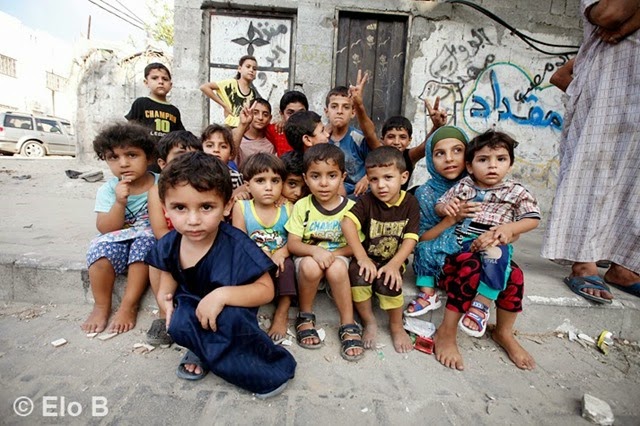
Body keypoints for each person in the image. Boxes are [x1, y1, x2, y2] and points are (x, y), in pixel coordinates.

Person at [145, 151, 296, 397]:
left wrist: (221, 296)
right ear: (165, 208)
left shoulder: (237, 244)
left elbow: (266, 290)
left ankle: (254, 368)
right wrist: (165, 299)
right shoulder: (171, 243)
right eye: (180, 208)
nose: (193, 220)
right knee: (179, 323)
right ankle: (201, 350)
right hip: (193, 306)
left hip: (232, 309)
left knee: (231, 323)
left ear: (227, 206)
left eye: (206, 207)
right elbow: (168, 278)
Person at [542, 0, 640, 302]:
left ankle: (625, 265)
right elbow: (608, 15)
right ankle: (584, 261)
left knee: (636, 181)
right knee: (594, 169)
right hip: (611, 83)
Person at [437, 130, 540, 338]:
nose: (492, 166)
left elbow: (532, 218)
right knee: (471, 266)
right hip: (462, 243)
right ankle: (447, 331)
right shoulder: (464, 186)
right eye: (483, 160)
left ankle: (487, 309)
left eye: (501, 159)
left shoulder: (515, 191)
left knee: (511, 270)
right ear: (469, 166)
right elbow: (440, 203)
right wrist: (446, 208)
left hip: (496, 242)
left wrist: (509, 229)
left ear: (510, 164)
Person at [285, 144, 364, 361]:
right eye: (315, 176)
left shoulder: (351, 208)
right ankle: (305, 315)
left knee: (337, 268)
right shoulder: (302, 206)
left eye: (332, 175)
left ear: (342, 177)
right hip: (308, 259)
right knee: (311, 265)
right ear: (305, 178)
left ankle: (347, 321)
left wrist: (333, 254)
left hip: (338, 259)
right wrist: (315, 251)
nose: (323, 183)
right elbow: (293, 244)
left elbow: (355, 245)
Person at [341, 147, 420, 353]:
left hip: (393, 258)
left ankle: (396, 325)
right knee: (358, 275)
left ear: (403, 177)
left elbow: (411, 238)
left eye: (388, 177)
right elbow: (347, 223)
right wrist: (361, 257)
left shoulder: (410, 203)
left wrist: (394, 265)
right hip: (368, 257)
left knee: (389, 282)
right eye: (374, 179)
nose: (381, 185)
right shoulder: (366, 201)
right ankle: (369, 321)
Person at [81, 123, 158, 334]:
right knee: (99, 255)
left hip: (149, 236)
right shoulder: (108, 190)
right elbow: (106, 228)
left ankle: (128, 305)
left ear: (149, 157)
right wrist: (119, 203)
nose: (123, 163)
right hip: (118, 236)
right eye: (113, 157)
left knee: (144, 249)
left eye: (132, 155)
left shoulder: (161, 184)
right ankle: (101, 306)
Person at [406, 126, 476, 316]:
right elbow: (421, 239)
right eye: (439, 153)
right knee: (424, 250)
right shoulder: (425, 193)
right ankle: (429, 294)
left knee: (505, 267)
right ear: (430, 158)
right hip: (439, 259)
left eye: (457, 150)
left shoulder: (480, 187)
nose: (449, 159)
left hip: (473, 251)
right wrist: (451, 220)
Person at [146, 130, 202, 346]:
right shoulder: (156, 191)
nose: (186, 163)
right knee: (157, 256)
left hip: (201, 238)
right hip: (174, 240)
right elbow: (160, 230)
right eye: (179, 157)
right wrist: (180, 246)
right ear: (162, 163)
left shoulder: (201, 186)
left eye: (192, 156)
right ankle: (164, 314)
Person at [348, 70, 447, 191]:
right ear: (382, 139)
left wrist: (436, 126)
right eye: (391, 136)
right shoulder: (379, 151)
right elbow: (369, 133)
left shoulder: (409, 157)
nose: (396, 142)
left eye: (402, 137)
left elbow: (427, 145)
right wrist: (359, 105)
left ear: (410, 140)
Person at [232, 153, 295, 342]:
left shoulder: (288, 208)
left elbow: (294, 239)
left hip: (281, 257)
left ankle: (282, 312)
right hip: (253, 257)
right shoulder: (242, 207)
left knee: (287, 267)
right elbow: (240, 239)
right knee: (243, 269)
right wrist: (260, 253)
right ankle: (247, 315)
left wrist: (282, 253)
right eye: (260, 181)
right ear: (247, 185)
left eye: (275, 181)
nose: (269, 187)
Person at [125, 63, 185, 169]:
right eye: (155, 78)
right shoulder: (141, 103)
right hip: (145, 156)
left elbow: (180, 136)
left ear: (171, 85)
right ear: (146, 82)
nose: (160, 82)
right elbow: (130, 130)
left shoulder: (174, 111)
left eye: (165, 79)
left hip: (165, 159)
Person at [325, 86, 379, 199]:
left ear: (353, 112)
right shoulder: (322, 138)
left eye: (346, 107)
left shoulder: (358, 138)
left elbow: (378, 162)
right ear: (326, 111)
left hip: (359, 194)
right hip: (329, 193)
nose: (339, 111)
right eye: (334, 106)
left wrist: (367, 178)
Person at [200, 55, 260, 128]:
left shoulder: (252, 93)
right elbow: (204, 87)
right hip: (230, 126)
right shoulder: (231, 84)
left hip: (244, 128)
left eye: (254, 69)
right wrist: (224, 105)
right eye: (248, 66)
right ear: (239, 69)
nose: (251, 70)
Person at [201, 124, 244, 193]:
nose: (216, 150)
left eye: (223, 146)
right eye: (209, 146)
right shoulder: (193, 174)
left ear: (231, 154)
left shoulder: (236, 178)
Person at [234, 98, 276, 168]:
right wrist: (242, 124)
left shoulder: (272, 142)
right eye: (255, 113)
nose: (260, 118)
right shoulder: (238, 138)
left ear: (270, 118)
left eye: (265, 115)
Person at [266, 90, 309, 156]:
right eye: (290, 113)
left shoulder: (313, 131)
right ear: (282, 114)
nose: (296, 117)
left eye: (301, 113)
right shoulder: (277, 130)